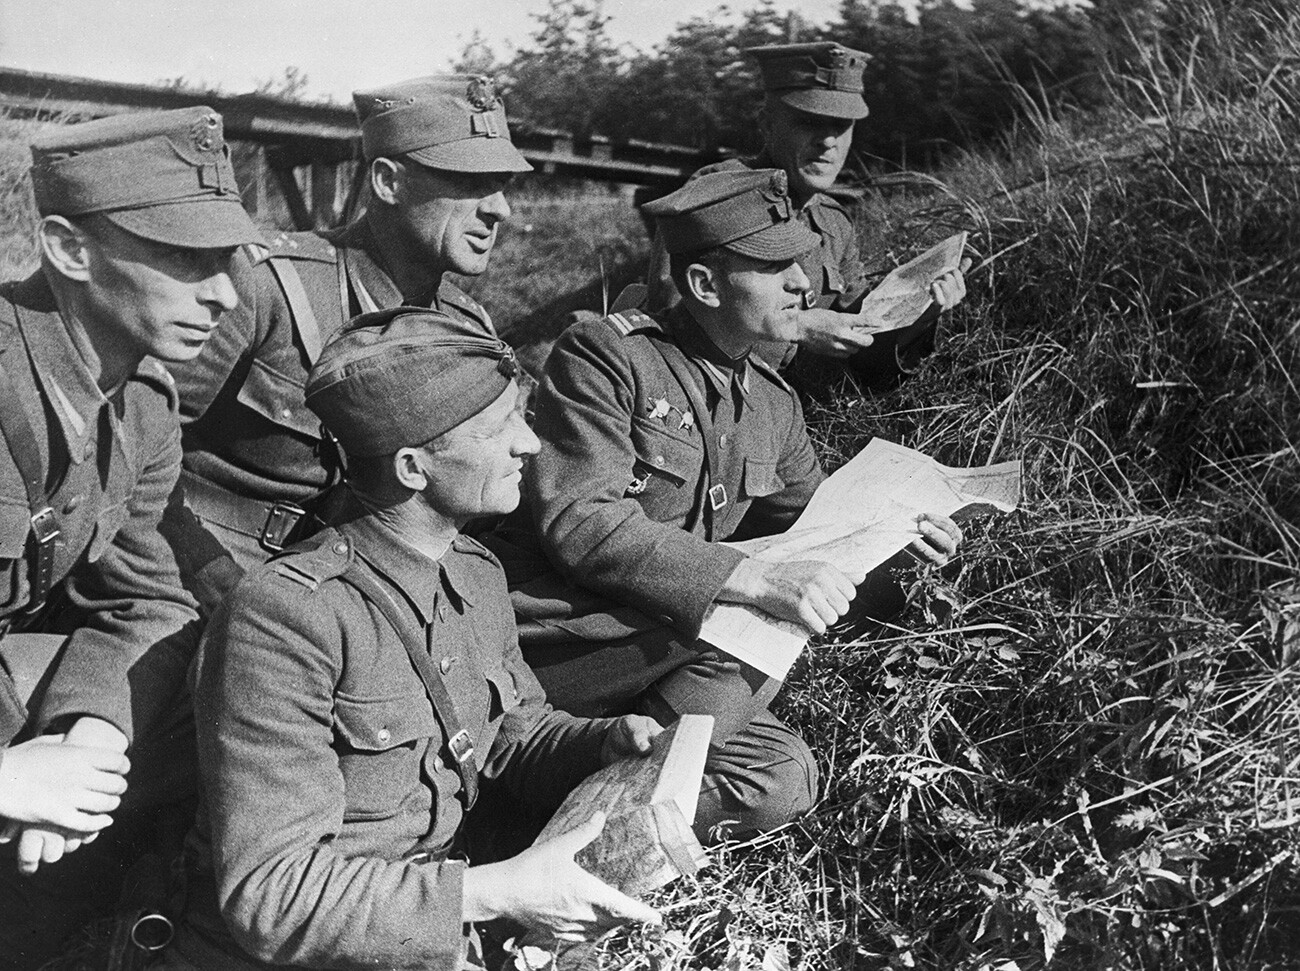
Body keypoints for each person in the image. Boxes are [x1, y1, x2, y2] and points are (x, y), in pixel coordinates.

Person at [164, 309, 662, 971]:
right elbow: (271, 896)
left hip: (423, 935)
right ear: (412, 466)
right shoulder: (287, 617)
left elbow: (510, 733)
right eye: (498, 427)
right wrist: (498, 892)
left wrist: (604, 742)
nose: (531, 445)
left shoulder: (474, 572)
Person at [491, 169, 963, 841]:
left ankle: (581, 808)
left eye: (798, 261)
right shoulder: (608, 358)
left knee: (781, 779)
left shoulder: (774, 400)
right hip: (571, 645)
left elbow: (821, 531)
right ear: (706, 286)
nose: (803, 282)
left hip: (674, 656)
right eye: (774, 267)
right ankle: (549, 799)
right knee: (756, 632)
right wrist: (749, 579)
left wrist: (901, 544)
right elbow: (582, 522)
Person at [0, 106, 262, 969]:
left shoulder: (144, 401)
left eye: (225, 261)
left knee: (219, 676)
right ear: (71, 251)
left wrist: (88, 737)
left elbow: (146, 595)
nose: (223, 293)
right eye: (187, 261)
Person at [167, 73, 533, 593]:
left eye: (503, 186)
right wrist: (222, 592)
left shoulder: (466, 327)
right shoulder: (266, 284)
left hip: (355, 591)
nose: (500, 208)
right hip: (213, 570)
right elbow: (135, 456)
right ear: (388, 182)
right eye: (469, 182)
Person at [644, 41, 969, 391]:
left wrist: (923, 311)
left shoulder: (833, 223)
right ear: (767, 124)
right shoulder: (718, 192)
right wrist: (798, 326)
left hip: (794, 422)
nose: (828, 141)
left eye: (842, 125)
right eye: (810, 122)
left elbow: (863, 356)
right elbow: (674, 325)